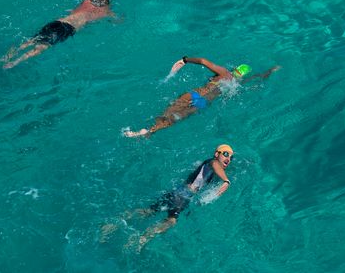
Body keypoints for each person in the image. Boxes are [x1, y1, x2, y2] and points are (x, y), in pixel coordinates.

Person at [100, 144, 235, 252]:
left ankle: (114, 223)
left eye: (231, 157)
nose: (228, 158)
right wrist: (226, 180)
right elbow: (216, 165)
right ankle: (142, 239)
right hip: (181, 197)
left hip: (177, 193)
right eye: (226, 154)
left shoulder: (209, 165)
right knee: (171, 221)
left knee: (149, 212)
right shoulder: (212, 162)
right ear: (217, 154)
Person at [124, 57, 280, 138]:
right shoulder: (237, 83)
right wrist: (271, 70)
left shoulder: (224, 73)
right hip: (203, 103)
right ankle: (150, 132)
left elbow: (203, 61)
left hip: (194, 94)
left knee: (168, 113)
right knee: (176, 118)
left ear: (235, 69)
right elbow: (259, 77)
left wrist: (185, 60)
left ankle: (148, 128)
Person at [0, 0, 129, 69]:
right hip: (66, 29)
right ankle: (14, 63)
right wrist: (120, 18)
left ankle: (3, 58)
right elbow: (117, 21)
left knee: (30, 41)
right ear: (106, 5)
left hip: (57, 22)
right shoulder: (105, 12)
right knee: (41, 48)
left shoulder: (87, 0)